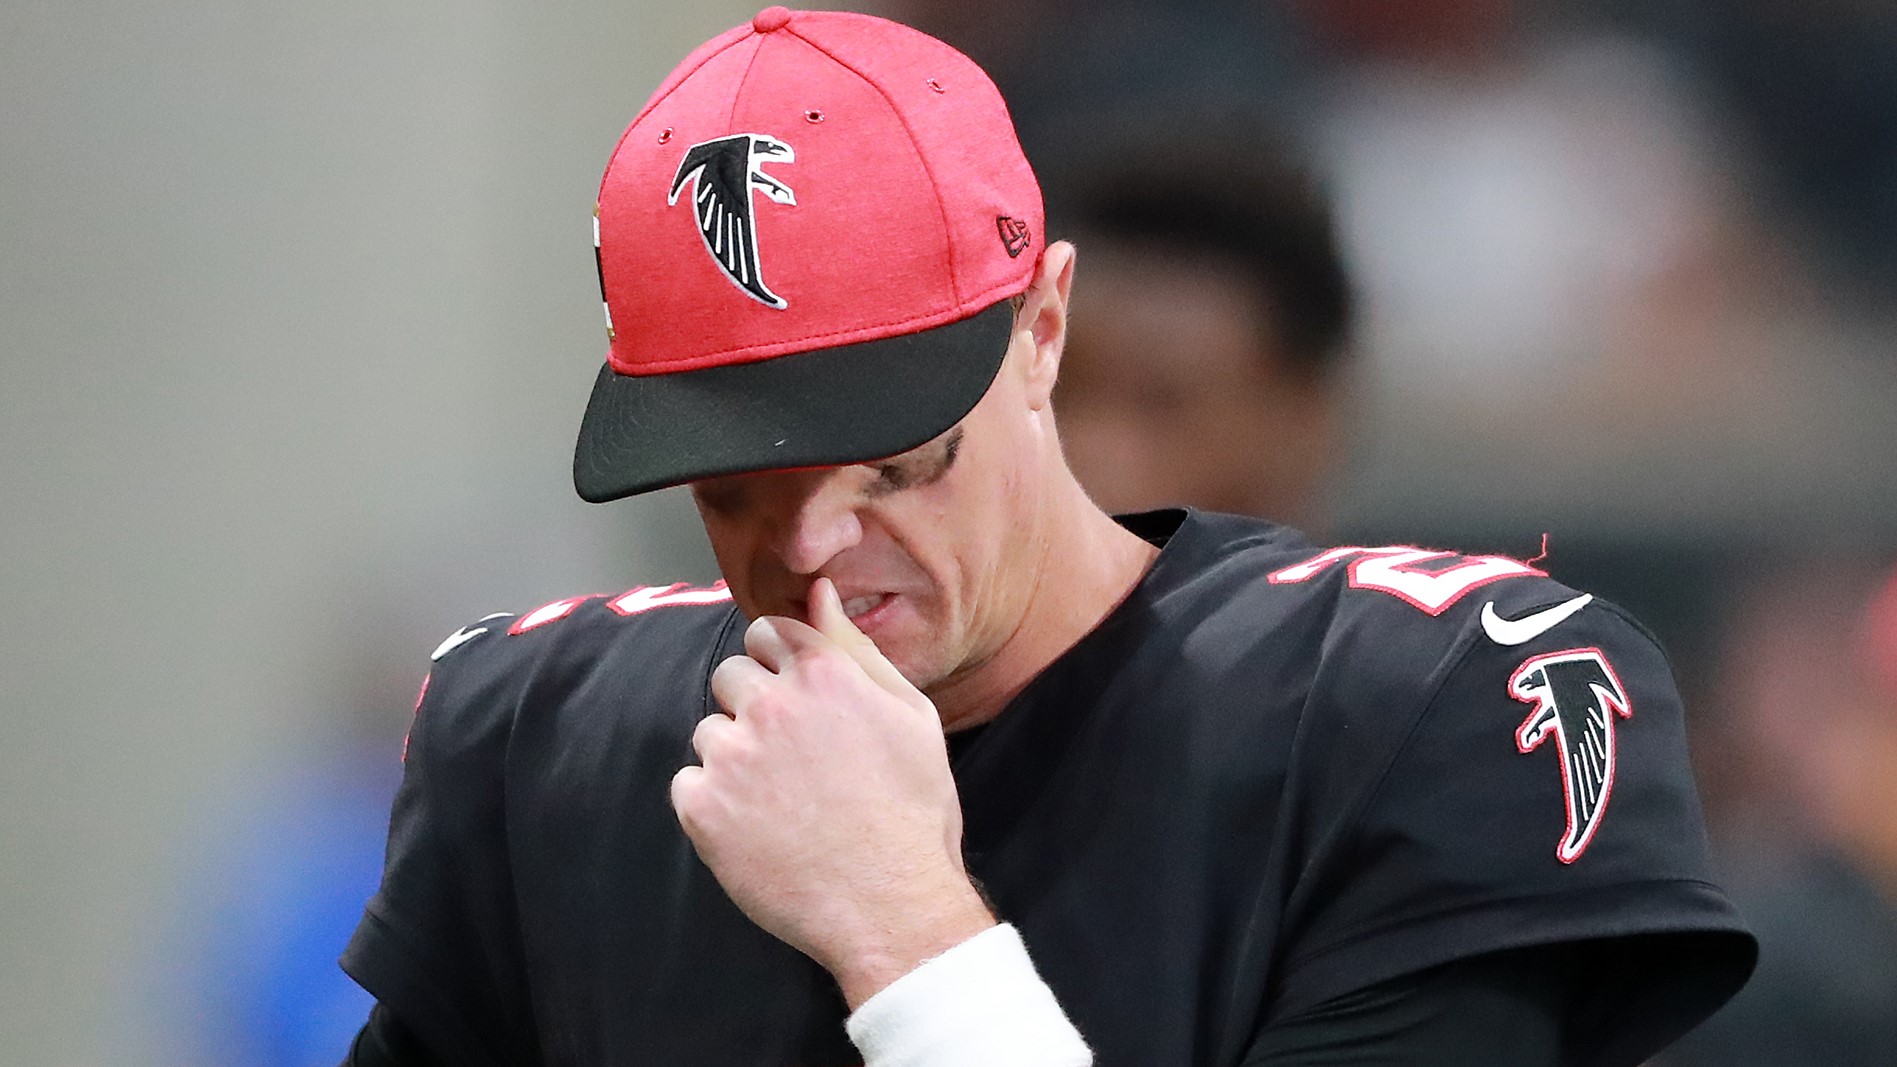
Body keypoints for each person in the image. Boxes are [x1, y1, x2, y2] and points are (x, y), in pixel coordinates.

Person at [339, 8, 1755, 1065]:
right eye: (734, 487)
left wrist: (900, 929)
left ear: (1041, 327)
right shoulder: (541, 733)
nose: (817, 546)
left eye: (898, 462)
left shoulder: (1422, 700)